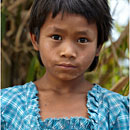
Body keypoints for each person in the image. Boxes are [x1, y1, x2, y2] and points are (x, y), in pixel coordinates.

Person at [1, 0, 129, 129]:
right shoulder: (7, 106)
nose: (68, 52)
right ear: (35, 40)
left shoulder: (117, 111)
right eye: (56, 37)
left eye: (82, 40)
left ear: (98, 47)